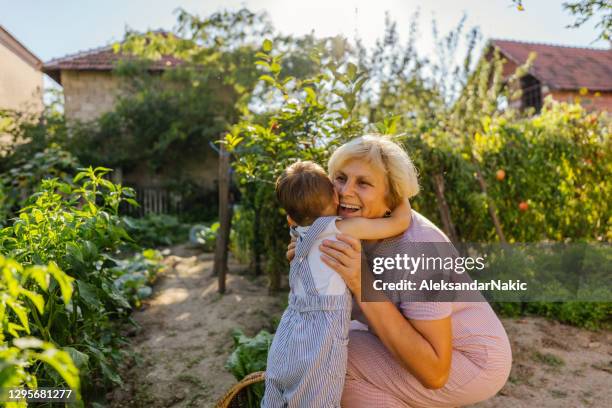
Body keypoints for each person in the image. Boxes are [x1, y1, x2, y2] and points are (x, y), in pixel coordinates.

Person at [287, 135, 512, 407]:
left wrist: (361, 281)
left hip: (469, 360)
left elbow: (435, 372)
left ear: (390, 198)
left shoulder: (420, 248)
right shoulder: (349, 229)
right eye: (340, 178)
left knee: (331, 361)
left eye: (364, 183)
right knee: (316, 349)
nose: (345, 191)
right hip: (415, 340)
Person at [263, 160, 412, 408]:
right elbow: (399, 223)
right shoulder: (341, 227)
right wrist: (399, 192)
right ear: (335, 195)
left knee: (279, 391)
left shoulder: (298, 232)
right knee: (319, 396)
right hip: (323, 332)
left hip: (290, 327)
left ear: (290, 217)